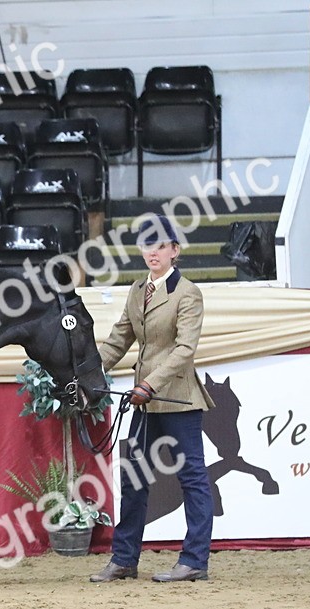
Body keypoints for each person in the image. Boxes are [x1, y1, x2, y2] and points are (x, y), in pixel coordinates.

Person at [90, 215, 216, 583]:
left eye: (160, 245)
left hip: (177, 399)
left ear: (174, 251)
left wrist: (149, 384)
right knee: (133, 479)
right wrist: (87, 374)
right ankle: (125, 559)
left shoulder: (188, 293)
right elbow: (119, 339)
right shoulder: (135, 290)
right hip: (144, 401)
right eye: (147, 245)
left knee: (191, 477)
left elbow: (184, 350)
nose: (152, 252)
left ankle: (195, 561)